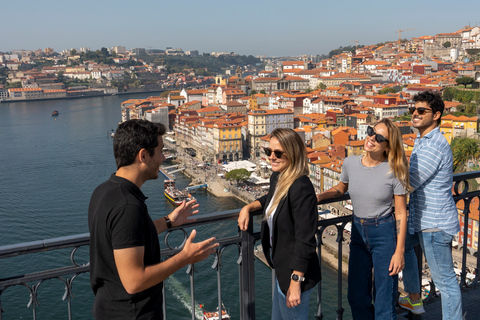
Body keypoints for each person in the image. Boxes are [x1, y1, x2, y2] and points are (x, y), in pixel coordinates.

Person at [88, 119, 219, 320]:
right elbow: (134, 281)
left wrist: (168, 221)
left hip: (108, 308)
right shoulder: (128, 207)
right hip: (132, 314)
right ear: (143, 155)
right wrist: (185, 257)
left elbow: (128, 236)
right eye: (160, 151)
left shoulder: (104, 191)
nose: (163, 157)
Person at [317, 118, 410, 320]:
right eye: (370, 131)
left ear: (388, 145)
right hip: (358, 232)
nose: (371, 138)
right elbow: (341, 188)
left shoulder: (394, 170)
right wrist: (319, 197)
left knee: (384, 300)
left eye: (379, 137)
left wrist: (399, 251)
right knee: (357, 297)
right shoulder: (350, 163)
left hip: (384, 233)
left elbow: (401, 213)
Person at [238, 128, 321, 319]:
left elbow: (305, 239)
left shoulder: (301, 186)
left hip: (295, 274)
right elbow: (272, 199)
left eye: (278, 153)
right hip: (281, 269)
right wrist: (249, 207)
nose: (271, 157)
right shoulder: (279, 176)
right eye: (269, 152)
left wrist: (295, 282)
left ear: (292, 153)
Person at [399, 91, 463, 319]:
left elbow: (410, 182)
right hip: (422, 219)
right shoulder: (423, 139)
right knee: (403, 247)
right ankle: (415, 298)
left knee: (445, 282)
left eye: (421, 111)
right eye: (413, 110)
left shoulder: (433, 144)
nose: (415, 114)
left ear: (436, 115)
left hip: (433, 224)